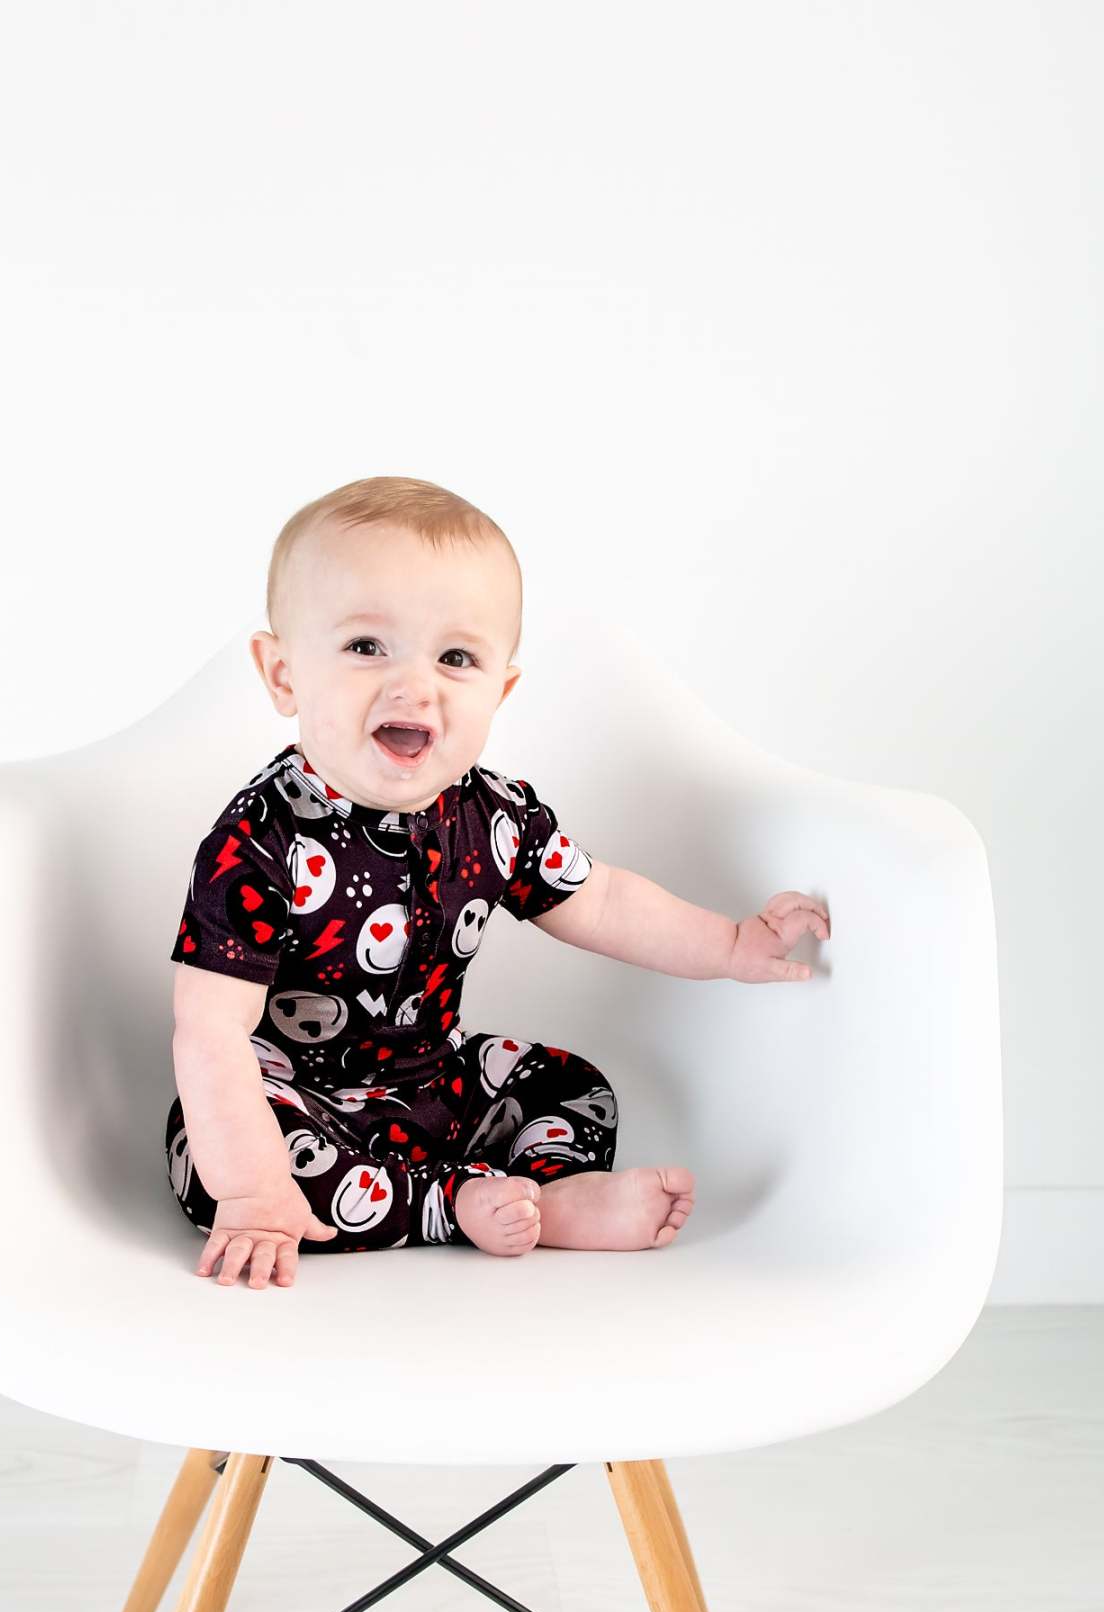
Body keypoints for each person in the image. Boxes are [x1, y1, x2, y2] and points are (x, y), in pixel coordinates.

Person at [167, 475, 829, 1290]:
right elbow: (211, 1033)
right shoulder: (259, 840)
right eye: (367, 646)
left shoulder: (496, 816)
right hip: (300, 1100)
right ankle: (454, 1204)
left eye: (456, 658)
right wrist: (251, 1192)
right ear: (283, 675)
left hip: (435, 1087)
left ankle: (545, 1199)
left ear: (499, 691)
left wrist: (730, 944)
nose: (415, 686)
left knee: (574, 1086)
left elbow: (604, 902)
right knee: (219, 1160)